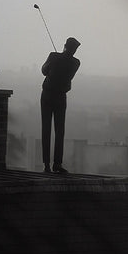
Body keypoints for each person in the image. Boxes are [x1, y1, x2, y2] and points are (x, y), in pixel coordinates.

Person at [40, 37, 81, 173]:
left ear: (65, 46)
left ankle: (47, 165)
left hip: (48, 95)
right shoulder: (75, 62)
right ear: (74, 50)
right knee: (59, 131)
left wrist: (53, 63)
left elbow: (44, 71)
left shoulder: (54, 56)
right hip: (60, 97)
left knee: (47, 129)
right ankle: (56, 164)